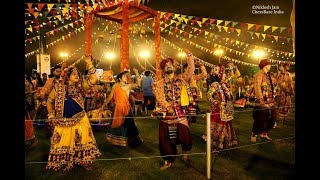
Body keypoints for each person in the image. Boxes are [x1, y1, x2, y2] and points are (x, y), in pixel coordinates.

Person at [45, 55, 101, 171]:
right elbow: (49, 101)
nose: (77, 76)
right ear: (68, 76)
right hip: (63, 121)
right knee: (63, 142)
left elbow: (94, 80)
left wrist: (89, 64)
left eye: (78, 74)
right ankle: (65, 161)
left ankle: (83, 160)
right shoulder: (58, 88)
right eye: (74, 74)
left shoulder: (80, 87)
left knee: (83, 140)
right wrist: (51, 115)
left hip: (80, 119)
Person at [152, 49, 195, 170]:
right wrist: (167, 107)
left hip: (181, 113)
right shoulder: (159, 83)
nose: (168, 67)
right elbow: (159, 97)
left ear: (174, 67)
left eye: (170, 65)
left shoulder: (181, 78)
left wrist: (190, 56)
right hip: (167, 115)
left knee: (185, 136)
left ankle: (185, 153)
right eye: (166, 66)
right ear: (163, 69)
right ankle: (167, 161)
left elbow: (191, 70)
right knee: (165, 139)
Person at [101, 68, 143, 147]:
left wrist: (137, 73)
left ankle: (131, 141)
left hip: (126, 108)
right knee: (118, 125)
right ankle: (118, 141)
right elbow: (110, 97)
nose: (126, 78)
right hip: (118, 108)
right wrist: (104, 105)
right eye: (124, 76)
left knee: (129, 124)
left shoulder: (128, 86)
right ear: (120, 78)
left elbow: (138, 84)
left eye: (126, 77)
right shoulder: (115, 86)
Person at [201, 65, 237, 150]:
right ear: (220, 75)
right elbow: (208, 95)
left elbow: (229, 96)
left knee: (226, 126)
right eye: (224, 74)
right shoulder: (215, 84)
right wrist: (216, 102)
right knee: (216, 129)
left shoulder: (224, 85)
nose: (225, 75)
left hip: (226, 110)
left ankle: (223, 142)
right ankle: (213, 145)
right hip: (218, 110)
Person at [251, 59, 276, 142]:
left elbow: (272, 86)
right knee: (260, 119)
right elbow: (257, 88)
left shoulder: (268, 75)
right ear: (265, 66)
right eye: (269, 64)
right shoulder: (259, 75)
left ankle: (264, 133)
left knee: (273, 118)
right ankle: (254, 133)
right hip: (262, 101)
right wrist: (261, 100)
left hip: (270, 101)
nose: (270, 66)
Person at [40, 65, 63, 137]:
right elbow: (43, 92)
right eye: (57, 71)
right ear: (54, 72)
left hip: (62, 103)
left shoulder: (64, 81)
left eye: (60, 71)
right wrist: (44, 99)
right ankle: (51, 134)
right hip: (52, 103)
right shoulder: (50, 81)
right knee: (51, 118)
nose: (59, 73)